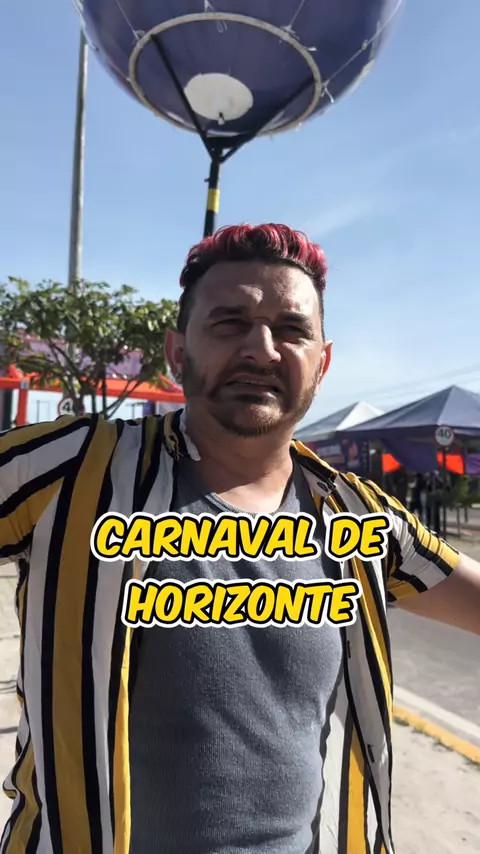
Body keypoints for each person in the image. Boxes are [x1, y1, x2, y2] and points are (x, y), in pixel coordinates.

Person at [0, 224, 479, 854]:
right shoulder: (68, 470)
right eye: (230, 323)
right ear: (176, 351)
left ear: (322, 363)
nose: (261, 349)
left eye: (292, 329)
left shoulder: (358, 515)